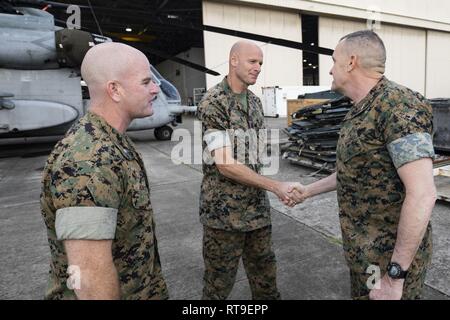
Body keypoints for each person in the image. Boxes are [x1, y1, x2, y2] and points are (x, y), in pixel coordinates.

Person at [291, 30, 436, 300]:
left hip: (389, 262)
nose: (331, 70)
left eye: (334, 61)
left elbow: (423, 194)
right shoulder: (359, 109)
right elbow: (354, 172)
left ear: (351, 62)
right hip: (364, 255)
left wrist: (395, 276)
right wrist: (308, 191)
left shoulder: (398, 106)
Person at [40, 42, 168, 300]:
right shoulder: (86, 162)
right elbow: (88, 278)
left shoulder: (113, 141)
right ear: (115, 90)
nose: (156, 89)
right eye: (146, 82)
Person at [197, 40, 302, 300]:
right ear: (234, 60)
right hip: (223, 214)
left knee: (266, 278)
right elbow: (225, 164)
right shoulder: (214, 102)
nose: (258, 68)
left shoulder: (254, 103)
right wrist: (276, 186)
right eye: (252, 62)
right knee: (218, 286)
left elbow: (254, 157)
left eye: (261, 63)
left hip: (256, 210)